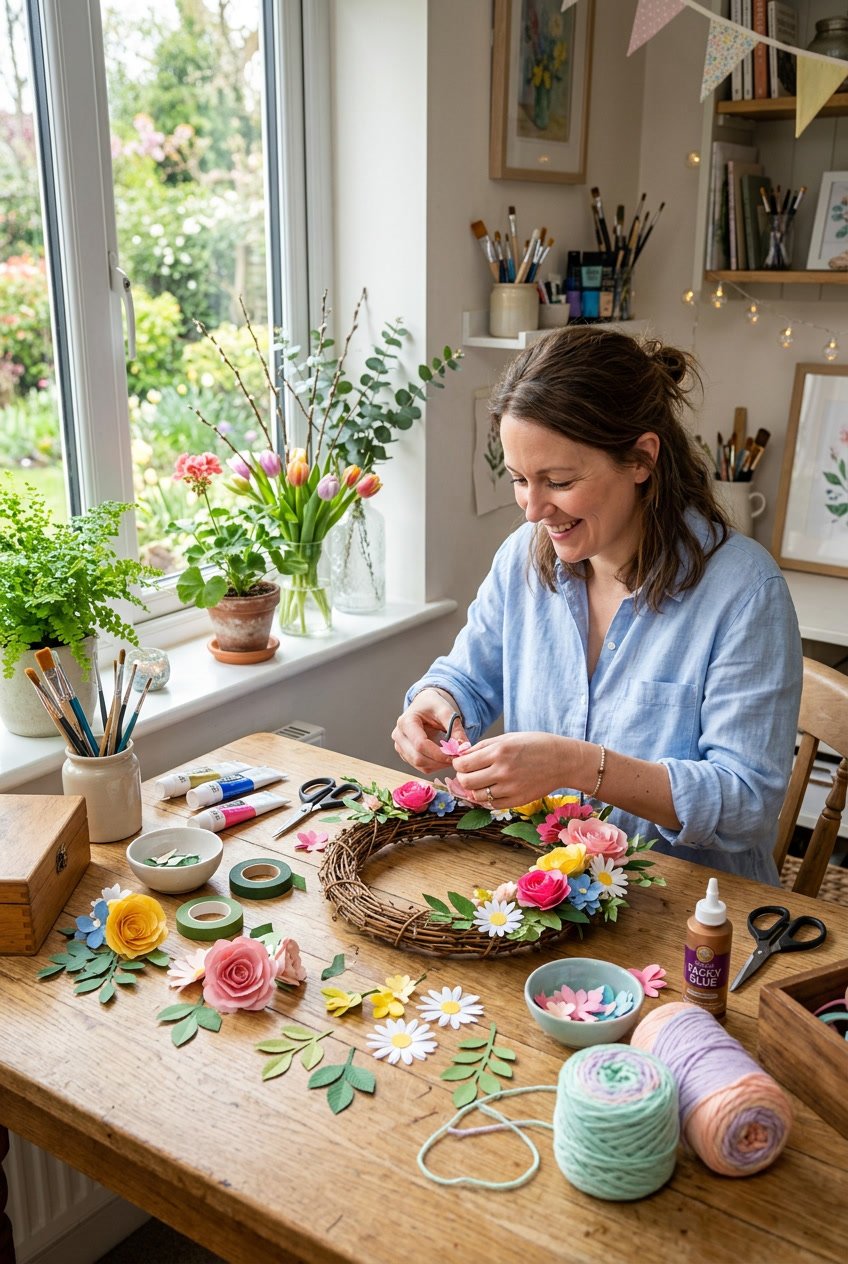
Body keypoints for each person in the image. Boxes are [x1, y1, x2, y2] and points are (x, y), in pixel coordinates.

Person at [392, 327, 802, 884]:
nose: (534, 509)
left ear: (640, 458)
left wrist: (575, 764)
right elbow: (468, 676)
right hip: (549, 893)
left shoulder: (745, 593)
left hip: (693, 914)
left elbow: (747, 804)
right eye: (518, 479)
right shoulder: (523, 559)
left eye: (557, 481)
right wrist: (435, 703)